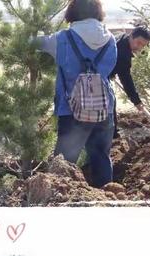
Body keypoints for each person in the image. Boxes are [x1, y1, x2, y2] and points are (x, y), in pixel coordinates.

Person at [36, 0, 117, 188]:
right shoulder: (111, 39)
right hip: (104, 108)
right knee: (101, 157)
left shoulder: (62, 38)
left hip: (71, 109)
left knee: (64, 162)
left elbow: (34, 42)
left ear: (72, 13)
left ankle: (61, 203)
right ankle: (106, 199)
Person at [110, 25, 150, 138]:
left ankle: (111, 134)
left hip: (102, 75)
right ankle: (111, 136)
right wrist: (136, 101)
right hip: (96, 76)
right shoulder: (122, 51)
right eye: (138, 42)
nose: (139, 47)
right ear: (132, 36)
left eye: (143, 45)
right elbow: (126, 79)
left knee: (109, 102)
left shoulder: (122, 39)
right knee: (109, 102)